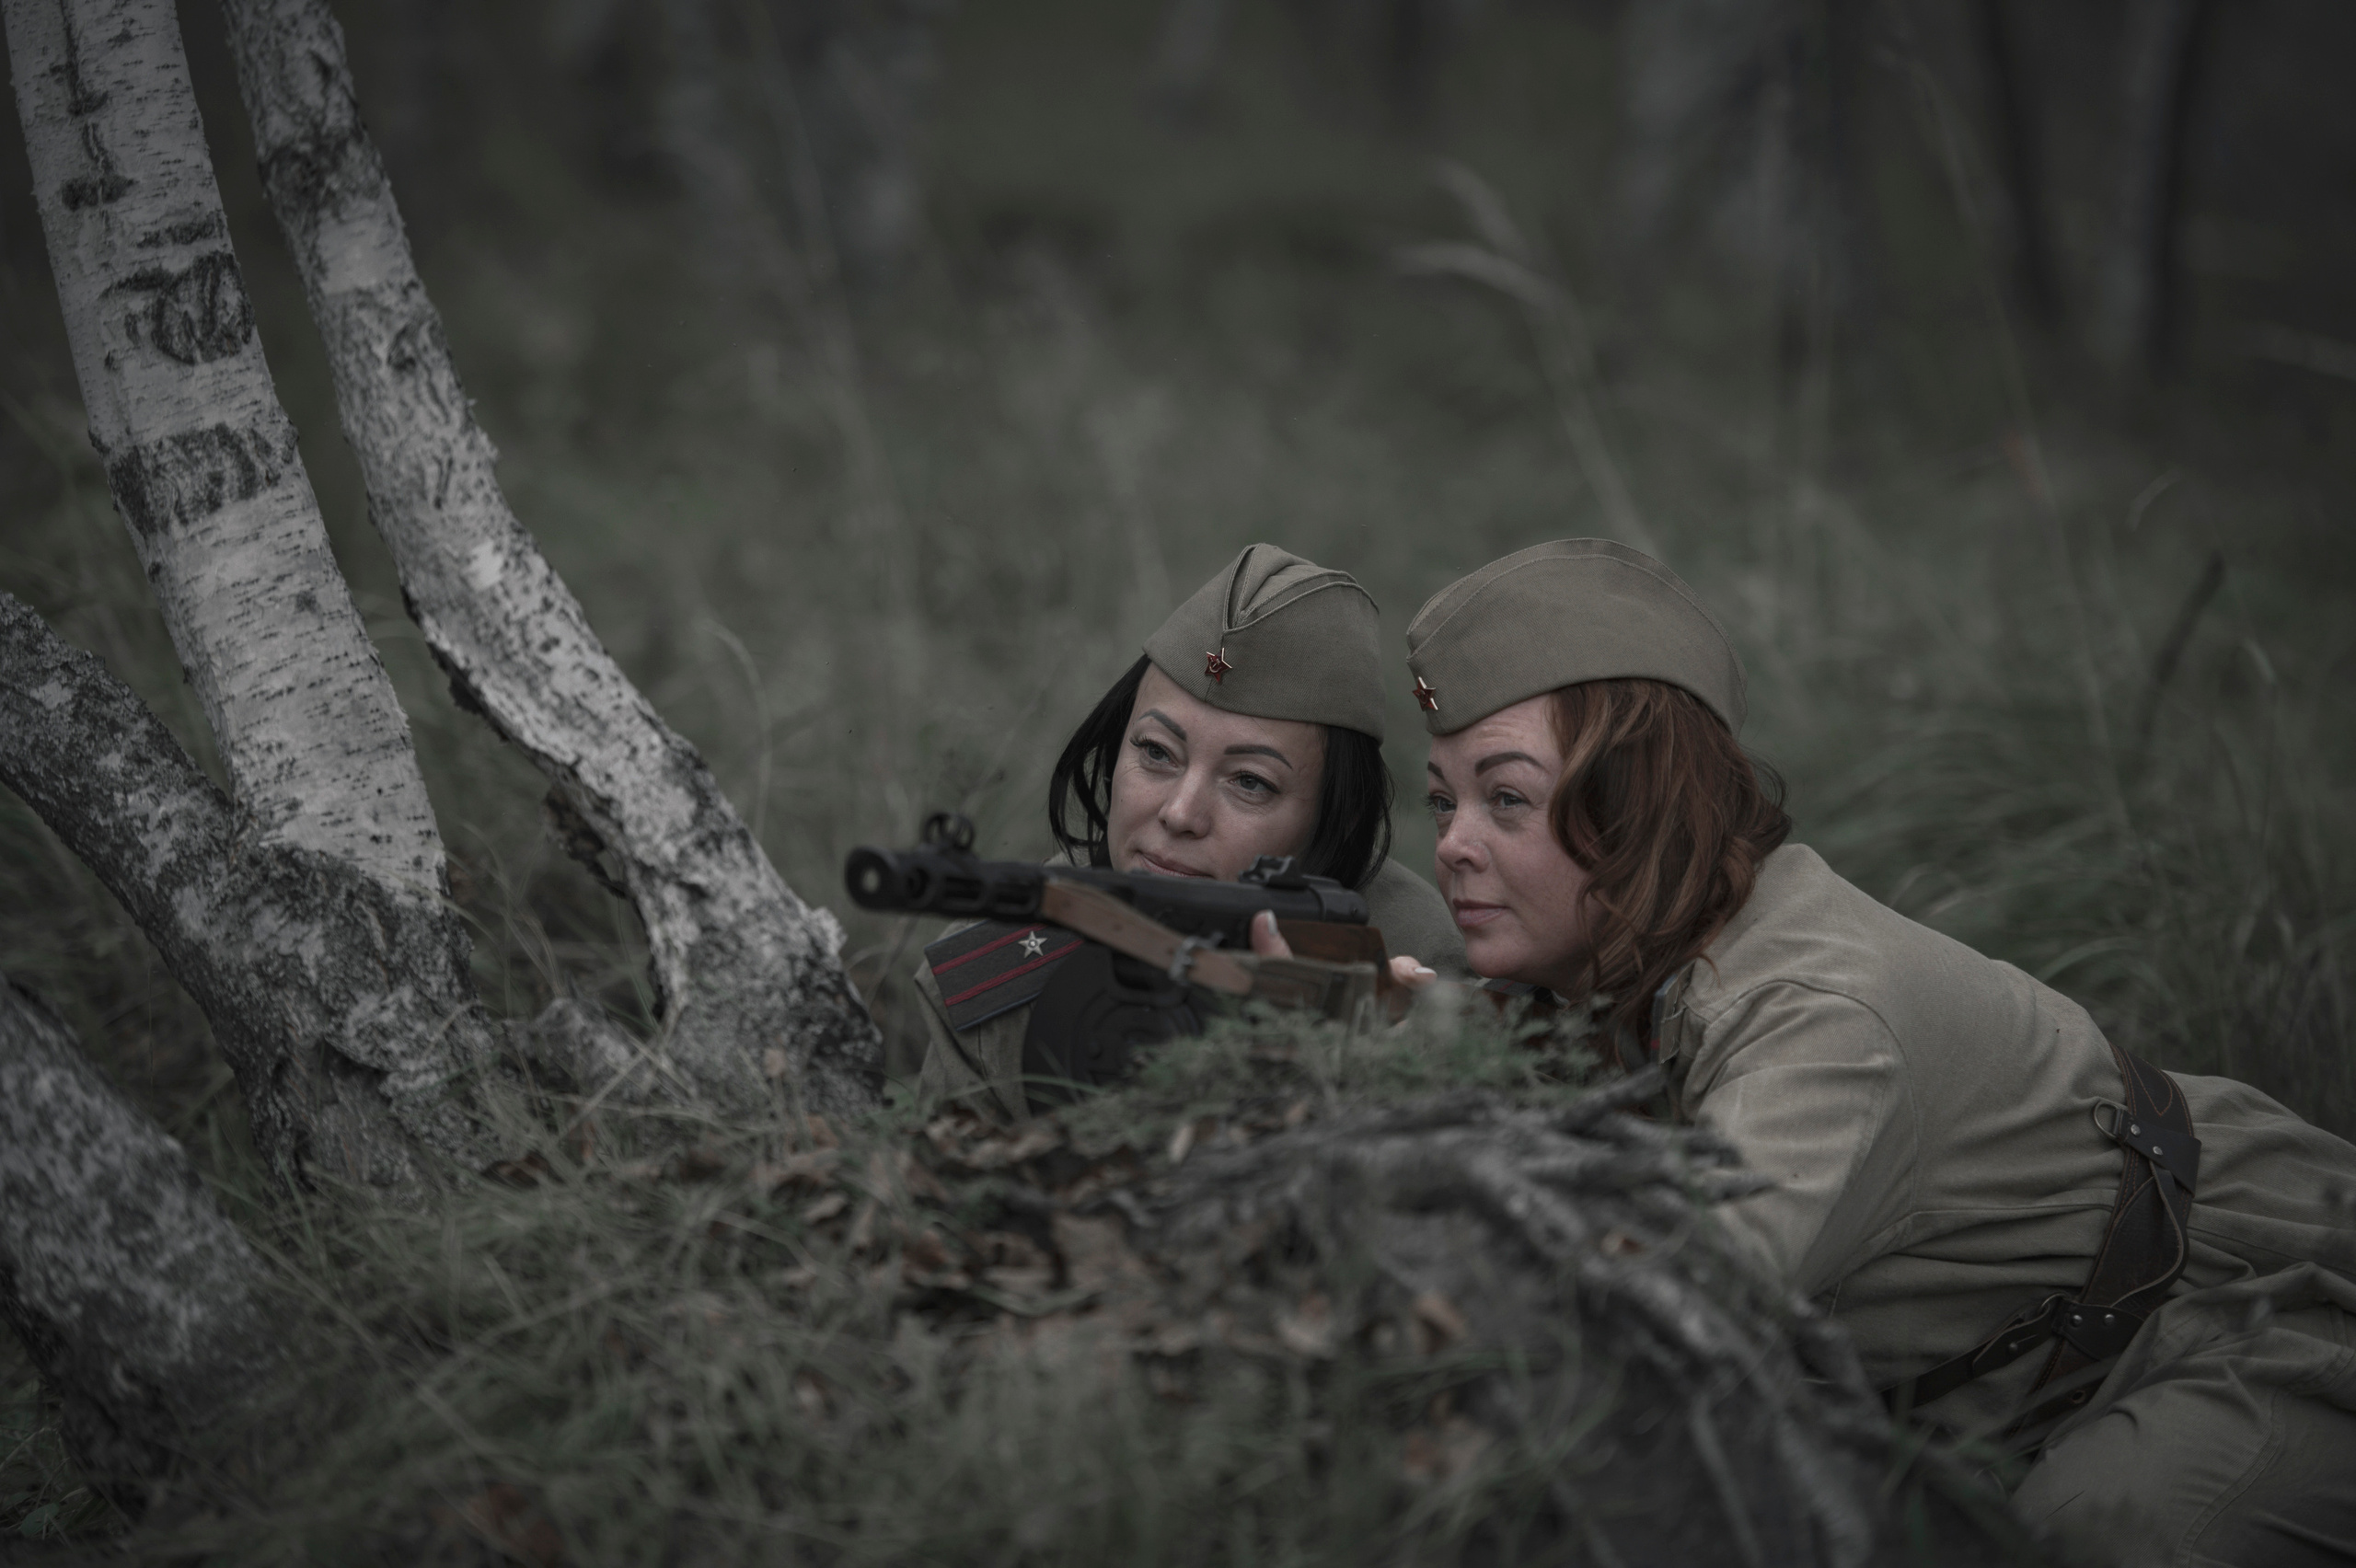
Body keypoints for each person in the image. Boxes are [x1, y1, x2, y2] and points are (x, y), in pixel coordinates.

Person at [1384, 537, 2356, 1564]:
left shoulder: (1818, 1017)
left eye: (1507, 798)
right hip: (2052, 1372)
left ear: (1638, 803)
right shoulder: (1619, 961)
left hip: (2268, 1310)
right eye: (1444, 801)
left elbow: (1662, 1302)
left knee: (2095, 1537)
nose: (1451, 843)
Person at [912, 544, 1466, 1122]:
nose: (1180, 813)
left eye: (1250, 783)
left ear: (1334, 816)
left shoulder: (1418, 959)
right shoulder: (995, 964)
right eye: (1156, 752)